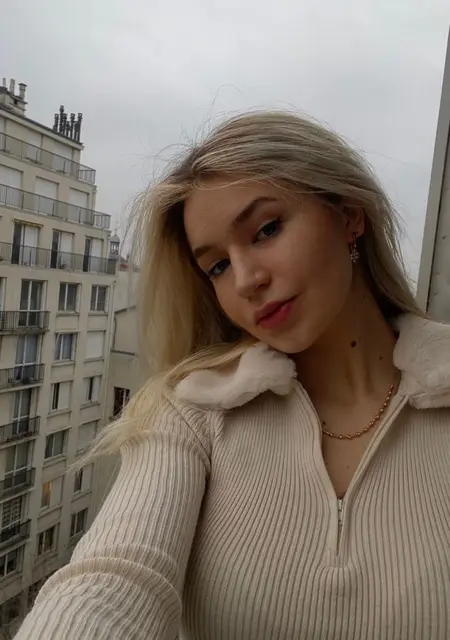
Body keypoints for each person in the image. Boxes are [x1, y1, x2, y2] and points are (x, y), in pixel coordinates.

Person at [16, 112, 450, 640]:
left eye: (266, 230)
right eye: (217, 266)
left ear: (349, 215)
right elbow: (117, 574)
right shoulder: (192, 408)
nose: (245, 280)